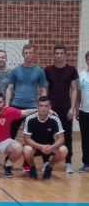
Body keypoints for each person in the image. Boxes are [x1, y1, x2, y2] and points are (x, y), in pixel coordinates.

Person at [44, 43, 78, 173]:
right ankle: (46, 161)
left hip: (66, 108)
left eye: (61, 53)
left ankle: (68, 162)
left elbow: (74, 90)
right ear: (54, 55)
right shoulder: (48, 70)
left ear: (65, 55)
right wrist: (45, 107)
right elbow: (45, 89)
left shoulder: (72, 70)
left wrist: (72, 108)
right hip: (51, 108)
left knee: (67, 135)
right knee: (47, 135)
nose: (59, 56)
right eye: (57, 53)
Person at [5, 43, 48, 140]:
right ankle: (10, 151)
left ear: (34, 54)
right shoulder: (15, 70)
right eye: (26, 53)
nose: (28, 55)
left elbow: (43, 90)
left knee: (32, 136)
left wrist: (42, 105)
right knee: (10, 135)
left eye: (30, 53)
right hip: (16, 106)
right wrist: (7, 105)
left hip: (31, 107)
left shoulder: (39, 71)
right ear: (22, 54)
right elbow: (9, 88)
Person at [23, 96, 67, 180]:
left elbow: (62, 139)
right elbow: (27, 139)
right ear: (37, 107)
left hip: (49, 146)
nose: (43, 108)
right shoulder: (30, 119)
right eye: (41, 106)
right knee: (26, 149)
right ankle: (32, 167)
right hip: (35, 146)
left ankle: (49, 167)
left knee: (64, 150)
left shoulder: (55, 119)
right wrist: (41, 147)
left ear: (50, 107)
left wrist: (51, 147)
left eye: (46, 106)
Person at [77, 51, 89, 173]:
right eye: (88, 59)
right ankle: (86, 163)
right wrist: (76, 109)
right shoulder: (81, 75)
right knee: (85, 138)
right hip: (84, 111)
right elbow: (78, 94)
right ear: (86, 61)